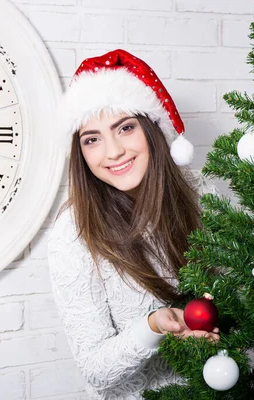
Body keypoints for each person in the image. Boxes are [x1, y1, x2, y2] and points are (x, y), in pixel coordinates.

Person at [47, 49, 219, 399]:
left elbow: (240, 291)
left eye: (125, 128)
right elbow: (95, 371)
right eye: (92, 139)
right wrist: (154, 326)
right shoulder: (73, 232)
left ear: (152, 129)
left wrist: (216, 316)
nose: (113, 152)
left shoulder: (199, 192)